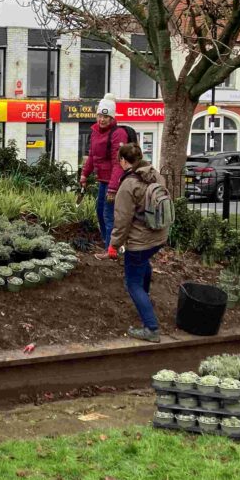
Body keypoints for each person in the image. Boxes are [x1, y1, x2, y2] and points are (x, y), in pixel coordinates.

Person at [109, 143, 169, 343]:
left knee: (132, 283)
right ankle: (145, 302)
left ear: (124, 161)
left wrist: (114, 245)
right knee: (143, 265)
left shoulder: (129, 184)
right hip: (159, 236)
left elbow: (122, 219)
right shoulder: (155, 175)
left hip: (140, 241)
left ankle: (151, 328)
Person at [79, 93, 129, 258]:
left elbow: (118, 163)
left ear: (112, 117)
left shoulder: (118, 134)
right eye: (100, 115)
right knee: (100, 212)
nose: (102, 119)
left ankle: (111, 250)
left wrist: (113, 188)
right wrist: (84, 175)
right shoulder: (95, 132)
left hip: (114, 183)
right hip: (103, 180)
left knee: (109, 214)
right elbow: (92, 156)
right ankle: (108, 244)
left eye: (106, 116)